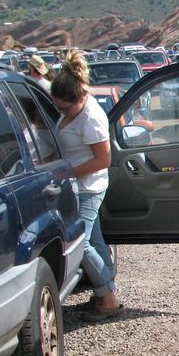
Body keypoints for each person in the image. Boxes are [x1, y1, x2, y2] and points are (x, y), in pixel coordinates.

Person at [51, 50, 120, 321]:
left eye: (65, 108)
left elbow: (103, 160)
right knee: (94, 240)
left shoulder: (91, 117)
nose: (61, 112)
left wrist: (67, 172)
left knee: (79, 243)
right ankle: (104, 292)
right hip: (78, 186)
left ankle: (108, 297)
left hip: (88, 187)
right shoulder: (74, 110)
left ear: (80, 98)